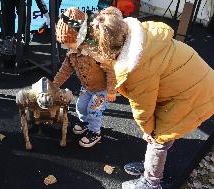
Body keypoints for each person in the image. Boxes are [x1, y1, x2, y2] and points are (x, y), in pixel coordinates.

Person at [83, 6, 214, 189]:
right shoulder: (138, 35)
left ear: (110, 51)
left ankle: (151, 181)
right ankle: (150, 167)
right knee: (159, 134)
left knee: (158, 138)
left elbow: (143, 108)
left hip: (193, 95)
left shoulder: (137, 70)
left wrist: (148, 130)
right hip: (194, 79)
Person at [52, 7, 117, 148]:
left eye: (69, 43)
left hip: (102, 89)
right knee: (81, 106)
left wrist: (111, 90)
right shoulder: (72, 52)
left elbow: (111, 71)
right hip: (87, 87)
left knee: (94, 110)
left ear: (81, 35)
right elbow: (65, 70)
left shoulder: (97, 50)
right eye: (65, 44)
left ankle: (95, 132)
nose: (67, 47)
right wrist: (54, 85)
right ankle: (85, 122)